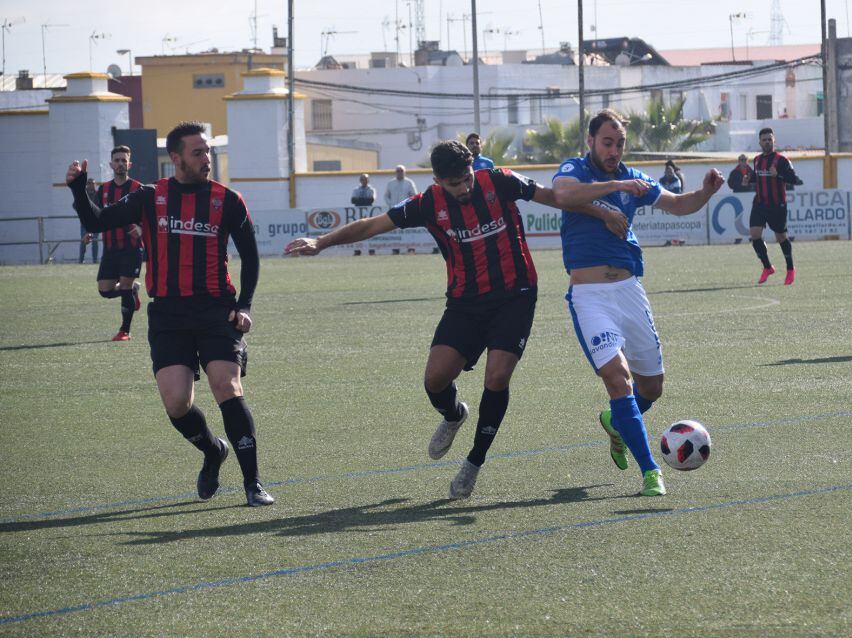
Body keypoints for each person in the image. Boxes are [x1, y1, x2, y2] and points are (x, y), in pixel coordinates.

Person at [284, 140, 627, 499]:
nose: (464, 188)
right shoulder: (428, 203)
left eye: (466, 179)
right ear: (437, 181)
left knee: (496, 376)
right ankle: (453, 414)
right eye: (454, 184)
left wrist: (603, 212)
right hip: (465, 303)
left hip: (516, 296)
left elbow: (556, 197)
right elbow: (372, 226)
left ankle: (474, 461)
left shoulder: (500, 181)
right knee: (434, 380)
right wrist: (321, 242)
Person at [66, 121, 273, 507]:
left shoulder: (228, 199)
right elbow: (95, 221)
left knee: (226, 386)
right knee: (176, 401)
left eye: (208, 151)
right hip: (169, 316)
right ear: (175, 158)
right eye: (198, 152)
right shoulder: (149, 197)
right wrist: (79, 189)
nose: (206, 158)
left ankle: (253, 483)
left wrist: (244, 305)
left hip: (215, 311)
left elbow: (251, 255)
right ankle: (213, 451)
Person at [552, 109, 725, 497]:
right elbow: (562, 194)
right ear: (591, 142)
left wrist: (705, 192)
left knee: (652, 387)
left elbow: (678, 204)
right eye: (607, 143)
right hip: (590, 297)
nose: (614, 150)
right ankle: (650, 472)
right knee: (618, 378)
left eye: (620, 144)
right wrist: (613, 188)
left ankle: (616, 423)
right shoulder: (576, 170)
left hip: (629, 291)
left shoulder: (634, 178)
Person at [89, 145, 144, 341]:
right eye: (117, 160)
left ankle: (125, 331)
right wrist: (90, 232)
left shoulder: (138, 189)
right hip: (110, 248)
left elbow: (150, 215)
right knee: (104, 290)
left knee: (125, 287)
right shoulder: (103, 189)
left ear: (130, 164)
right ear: (111, 164)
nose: (120, 163)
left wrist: (141, 228)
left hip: (131, 248)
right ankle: (134, 289)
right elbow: (95, 215)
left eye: (124, 160)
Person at [749, 127, 802, 285]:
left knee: (781, 237)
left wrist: (777, 174)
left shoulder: (782, 160)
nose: (767, 142)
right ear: (760, 142)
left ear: (774, 141)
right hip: (759, 203)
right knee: (755, 235)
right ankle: (767, 267)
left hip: (777, 205)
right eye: (764, 140)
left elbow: (795, 179)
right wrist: (748, 179)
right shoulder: (757, 160)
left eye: (769, 139)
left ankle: (790, 269)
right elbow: (757, 177)